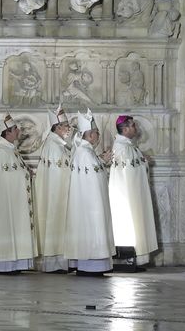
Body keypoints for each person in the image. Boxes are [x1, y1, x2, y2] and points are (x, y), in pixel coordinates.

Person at [0, 115, 36, 274]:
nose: (18, 130)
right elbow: (8, 178)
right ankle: (4, 265)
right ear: (7, 133)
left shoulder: (11, 150)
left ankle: (15, 264)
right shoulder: (2, 151)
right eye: (14, 129)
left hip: (13, 200)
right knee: (6, 227)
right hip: (6, 203)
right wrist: (26, 174)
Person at [65, 110, 115, 274]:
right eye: (97, 133)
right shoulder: (85, 153)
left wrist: (101, 160)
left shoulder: (84, 152)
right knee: (92, 230)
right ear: (91, 136)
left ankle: (91, 266)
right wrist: (102, 163)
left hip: (87, 204)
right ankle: (91, 266)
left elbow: (94, 171)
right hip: (90, 205)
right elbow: (95, 177)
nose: (99, 135)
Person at [108, 115, 158, 266]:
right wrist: (143, 164)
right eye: (133, 126)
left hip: (134, 193)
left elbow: (134, 167)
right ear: (125, 129)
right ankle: (127, 258)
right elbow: (128, 172)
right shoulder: (121, 147)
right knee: (129, 222)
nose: (136, 128)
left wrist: (143, 162)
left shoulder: (129, 146)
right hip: (126, 194)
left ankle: (136, 257)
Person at [34, 109, 72, 272]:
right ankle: (55, 263)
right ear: (57, 128)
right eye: (65, 126)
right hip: (57, 194)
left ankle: (59, 262)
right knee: (56, 222)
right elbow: (60, 175)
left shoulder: (57, 144)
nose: (68, 129)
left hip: (58, 193)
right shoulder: (54, 146)